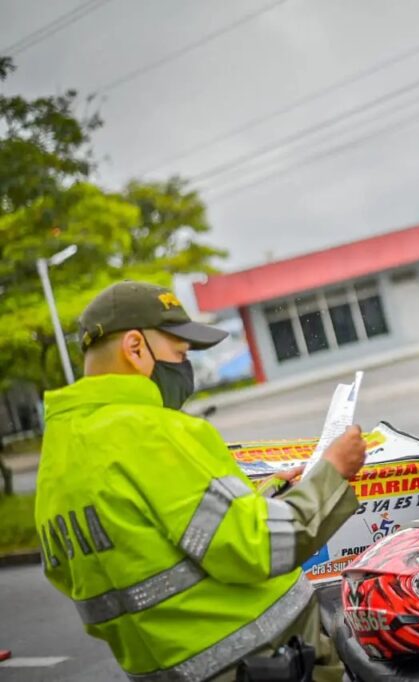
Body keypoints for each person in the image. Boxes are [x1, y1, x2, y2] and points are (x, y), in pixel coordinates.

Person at [35, 281, 367, 681]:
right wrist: (332, 472)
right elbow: (258, 546)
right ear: (136, 347)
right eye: (179, 352)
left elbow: (154, 542)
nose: (185, 366)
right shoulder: (155, 432)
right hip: (263, 662)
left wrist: (266, 494)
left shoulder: (58, 457)